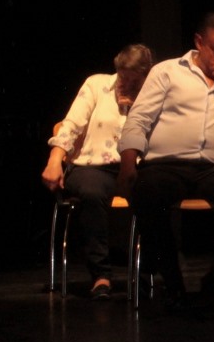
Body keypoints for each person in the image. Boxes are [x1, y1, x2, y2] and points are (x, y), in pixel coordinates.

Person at [117, 12, 214, 311]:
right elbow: (139, 119)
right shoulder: (167, 72)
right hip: (167, 166)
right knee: (147, 192)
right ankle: (172, 282)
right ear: (199, 42)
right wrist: (128, 163)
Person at [41, 44, 154, 299]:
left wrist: (137, 107)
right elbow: (71, 125)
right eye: (122, 77)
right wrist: (55, 159)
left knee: (157, 189)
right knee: (91, 192)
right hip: (93, 166)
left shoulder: (153, 94)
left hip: (136, 166)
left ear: (146, 74)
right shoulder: (97, 85)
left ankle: (145, 272)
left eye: (133, 80)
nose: (125, 84)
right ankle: (101, 275)